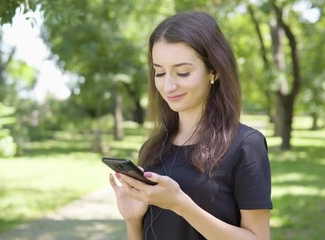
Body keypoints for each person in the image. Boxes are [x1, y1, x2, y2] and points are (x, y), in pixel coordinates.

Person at [109, 11, 272, 240]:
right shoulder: (152, 149)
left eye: (182, 72)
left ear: (213, 71)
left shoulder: (246, 145)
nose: (168, 86)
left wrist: (180, 204)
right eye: (159, 72)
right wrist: (133, 220)